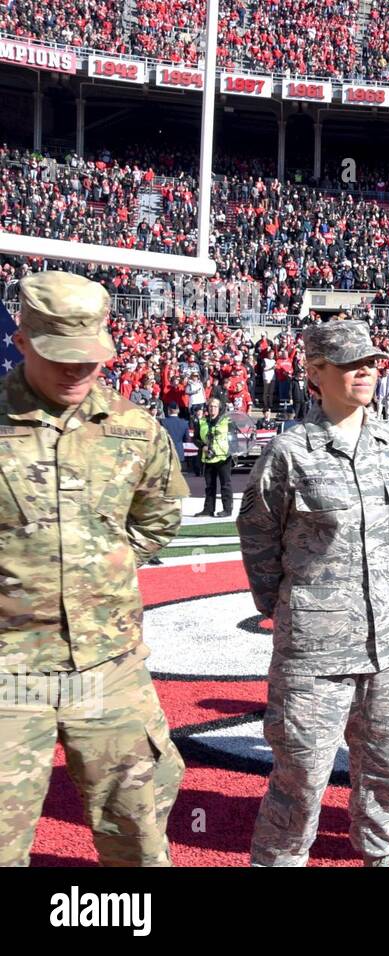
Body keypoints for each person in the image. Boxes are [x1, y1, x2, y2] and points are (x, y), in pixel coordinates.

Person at [0, 271, 188, 867]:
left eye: (91, 357)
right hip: (8, 674)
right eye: (61, 356)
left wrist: (98, 569)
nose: (78, 371)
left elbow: (158, 514)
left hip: (110, 668)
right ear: (23, 339)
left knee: (139, 833)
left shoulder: (134, 430)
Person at [236, 320, 389, 867]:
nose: (364, 371)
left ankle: (379, 857)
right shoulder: (290, 453)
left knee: (386, 768)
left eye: (370, 362)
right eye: (348, 364)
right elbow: (258, 535)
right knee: (301, 774)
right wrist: (290, 606)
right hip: (314, 648)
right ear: (315, 373)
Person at [196, 396, 233, 517]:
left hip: (223, 457)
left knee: (225, 485)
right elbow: (195, 438)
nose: (213, 409)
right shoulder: (202, 421)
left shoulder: (226, 421)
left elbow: (234, 437)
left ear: (219, 408)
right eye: (211, 406)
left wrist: (233, 452)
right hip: (208, 457)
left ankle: (227, 509)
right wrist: (203, 446)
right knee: (209, 485)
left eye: (215, 406)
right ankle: (208, 509)